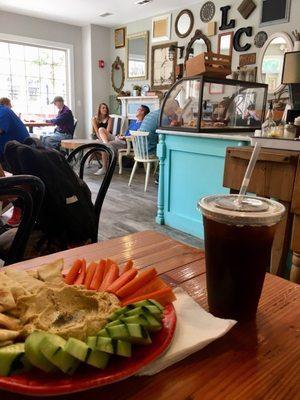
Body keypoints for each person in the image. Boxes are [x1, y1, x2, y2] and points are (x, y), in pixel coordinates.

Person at [95, 105, 150, 176]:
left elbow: (136, 136)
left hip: (126, 142)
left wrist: (124, 137)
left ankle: (104, 168)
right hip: (120, 139)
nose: (136, 111)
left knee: (103, 145)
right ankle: (107, 144)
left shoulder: (142, 124)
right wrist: (120, 135)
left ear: (142, 112)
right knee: (101, 129)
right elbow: (125, 133)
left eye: (138, 109)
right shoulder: (133, 122)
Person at [0, 101, 29, 226]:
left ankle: (19, 208)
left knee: (16, 183)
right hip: (6, 153)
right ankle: (6, 201)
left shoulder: (3, 112)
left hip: (20, 154)